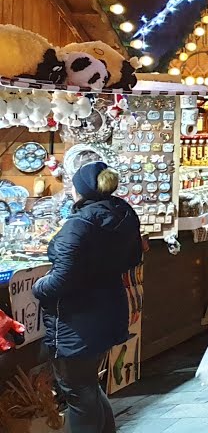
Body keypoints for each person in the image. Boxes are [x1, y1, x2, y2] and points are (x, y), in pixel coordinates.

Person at [33, 162, 142, 433]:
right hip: (107, 312)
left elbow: (62, 279)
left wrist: (39, 287)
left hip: (76, 321)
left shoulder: (79, 225)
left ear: (82, 190)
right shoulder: (122, 214)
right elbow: (134, 257)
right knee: (88, 386)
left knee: (78, 393)